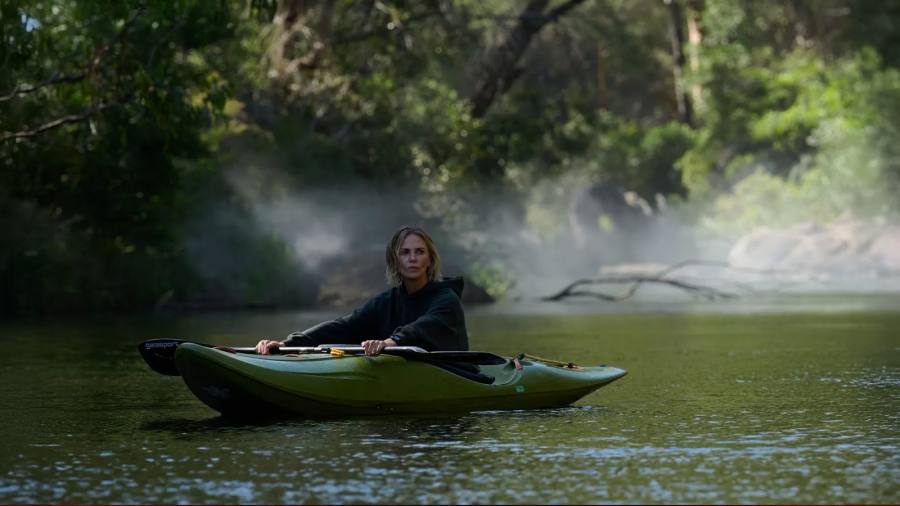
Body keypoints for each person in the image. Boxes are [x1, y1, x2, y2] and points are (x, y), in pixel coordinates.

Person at [256, 226, 469, 356]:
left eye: (419, 252)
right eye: (405, 252)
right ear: (394, 261)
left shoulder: (446, 299)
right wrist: (287, 344)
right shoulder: (386, 302)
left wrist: (388, 343)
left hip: (457, 375)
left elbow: (422, 328)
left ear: (429, 260)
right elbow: (344, 326)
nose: (412, 258)